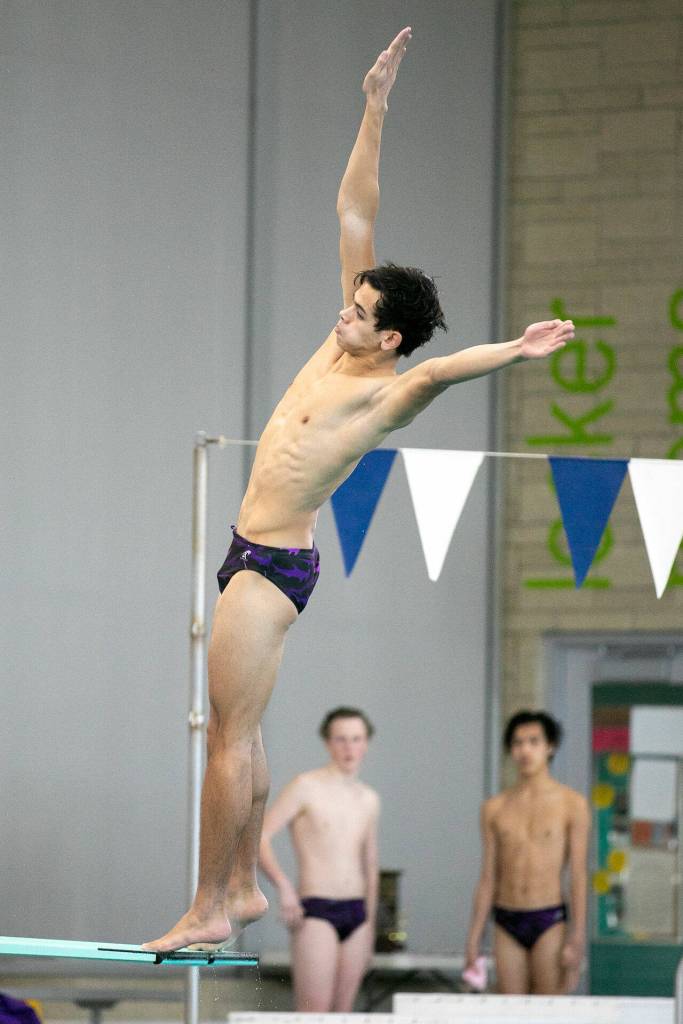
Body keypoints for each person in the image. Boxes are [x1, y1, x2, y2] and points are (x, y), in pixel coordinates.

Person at [144, 26, 575, 952]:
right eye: (351, 300)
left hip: (269, 563)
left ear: (388, 339)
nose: (343, 309)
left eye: (360, 311)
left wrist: (518, 348)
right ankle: (244, 893)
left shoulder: (384, 392)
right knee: (241, 735)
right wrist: (373, 108)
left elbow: (439, 371)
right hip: (251, 552)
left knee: (225, 739)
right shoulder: (348, 336)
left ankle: (213, 904)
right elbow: (353, 210)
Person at [258, 707, 379, 1012]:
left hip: (358, 912)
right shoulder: (306, 787)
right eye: (341, 739)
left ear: (366, 743)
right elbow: (258, 838)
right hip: (316, 910)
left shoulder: (369, 799)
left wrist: (371, 922)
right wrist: (284, 887)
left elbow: (370, 864)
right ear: (327, 743)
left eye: (356, 739)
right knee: (314, 1014)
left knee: (344, 1014)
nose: (349, 748)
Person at [464, 710, 590, 995]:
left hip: (549, 918)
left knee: (547, 1007)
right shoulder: (494, 808)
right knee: (512, 1008)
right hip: (507, 917)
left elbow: (579, 875)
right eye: (518, 743)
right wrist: (473, 938)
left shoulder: (572, 804)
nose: (525, 750)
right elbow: (487, 878)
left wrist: (577, 936)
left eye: (534, 741)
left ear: (550, 747)